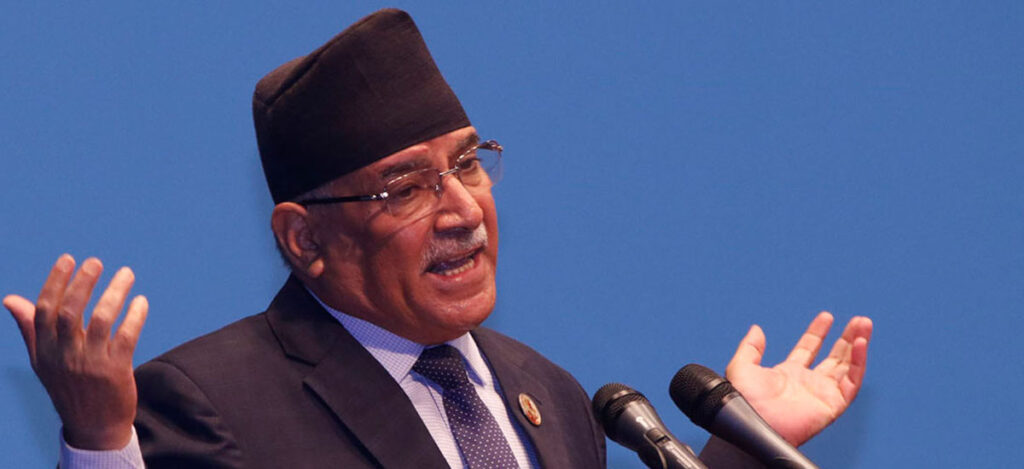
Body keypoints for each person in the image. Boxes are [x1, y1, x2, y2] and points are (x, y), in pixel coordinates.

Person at [4, 8, 872, 468]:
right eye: (407, 187)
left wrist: (740, 448)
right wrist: (101, 439)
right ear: (304, 238)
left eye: (467, 164)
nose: (460, 208)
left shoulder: (551, 395)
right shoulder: (212, 402)